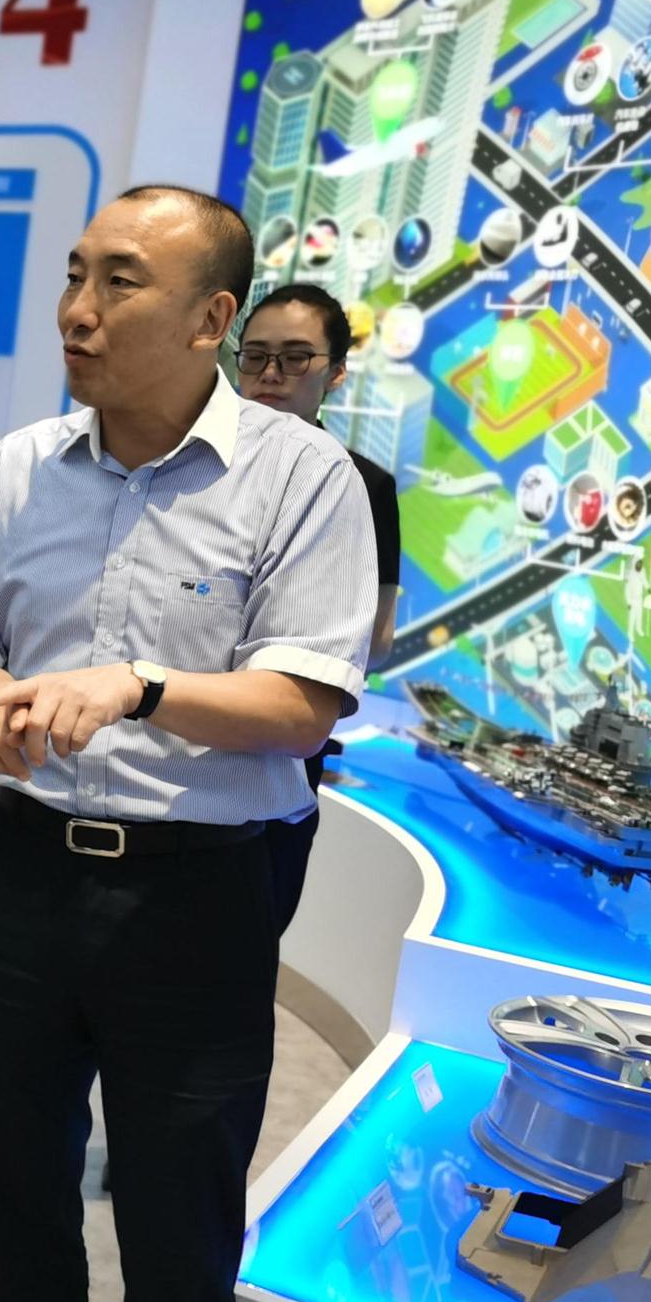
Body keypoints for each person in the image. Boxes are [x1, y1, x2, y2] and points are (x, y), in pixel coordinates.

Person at [0, 186, 376, 1302]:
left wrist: (141, 687)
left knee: (178, 1231)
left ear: (211, 317)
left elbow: (303, 701)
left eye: (120, 281)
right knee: (16, 1192)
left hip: (197, 897)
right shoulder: (19, 469)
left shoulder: (300, 480)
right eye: (75, 274)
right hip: (19, 874)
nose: (79, 309)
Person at [233, 282, 402, 932]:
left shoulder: (364, 485)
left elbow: (375, 641)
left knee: (243, 943)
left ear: (336, 372)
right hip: (166, 753)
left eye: (296, 357)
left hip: (276, 766)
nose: (271, 374)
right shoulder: (190, 464)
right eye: (256, 356)